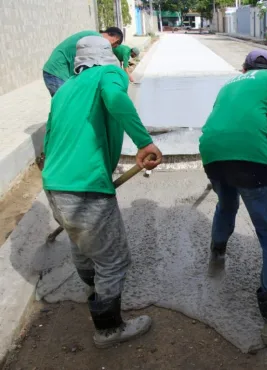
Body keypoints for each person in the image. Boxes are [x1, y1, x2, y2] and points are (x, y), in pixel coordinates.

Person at [42, 36, 163, 348]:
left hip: (55, 183)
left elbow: (51, 133)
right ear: (106, 56)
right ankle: (108, 329)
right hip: (87, 186)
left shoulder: (66, 87)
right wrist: (144, 141)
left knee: (81, 244)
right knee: (113, 260)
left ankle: (94, 291)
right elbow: (115, 97)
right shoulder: (109, 74)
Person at [199, 50, 267, 346]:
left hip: (212, 152)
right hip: (253, 157)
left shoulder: (229, 84)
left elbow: (223, 122)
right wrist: (260, 150)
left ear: (244, 68)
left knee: (226, 204)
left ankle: (216, 259)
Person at [42, 27, 124, 96]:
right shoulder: (95, 40)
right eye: (113, 46)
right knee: (65, 105)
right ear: (115, 39)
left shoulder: (92, 36)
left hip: (57, 70)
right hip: (57, 72)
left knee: (68, 104)